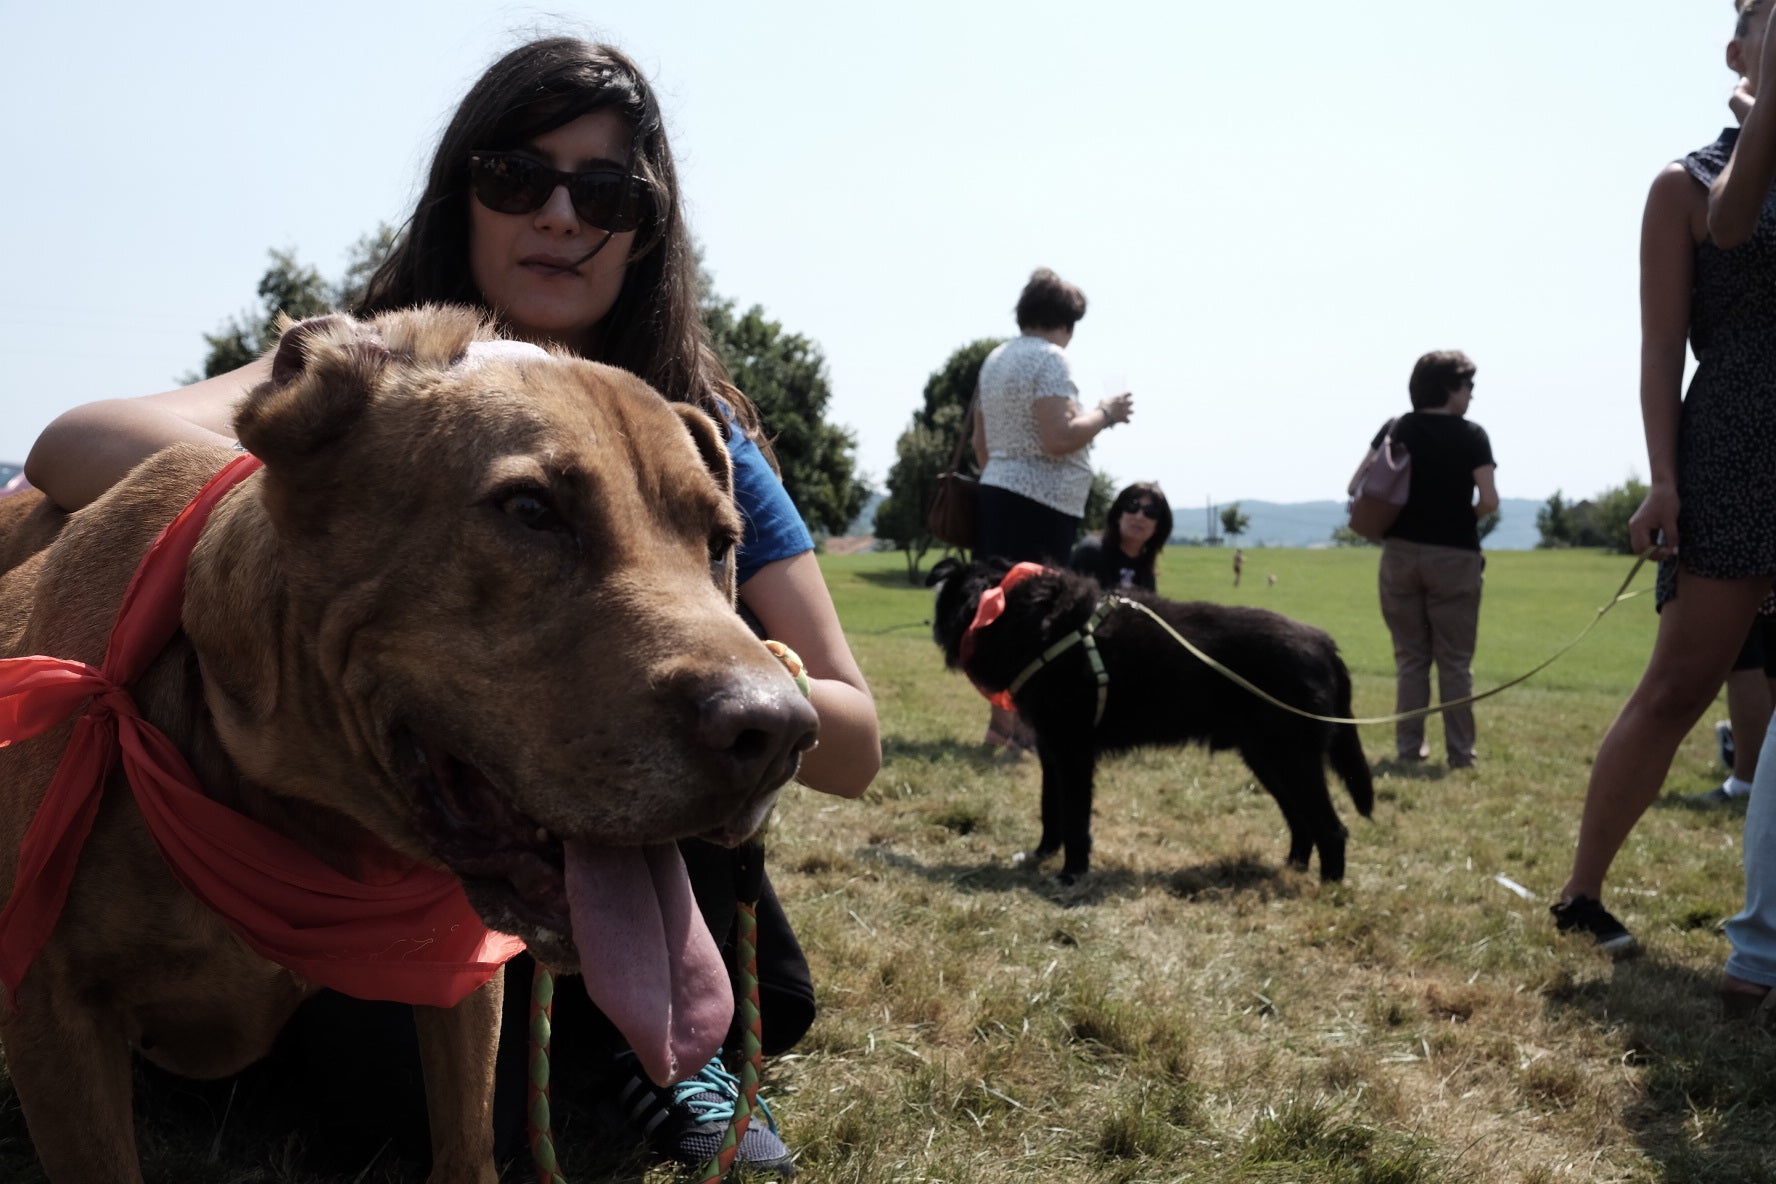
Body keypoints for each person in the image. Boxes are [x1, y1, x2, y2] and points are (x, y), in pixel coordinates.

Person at [25, 37, 882, 1174]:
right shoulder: (373, 369)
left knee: (704, 738)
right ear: (462, 193)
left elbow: (856, 740)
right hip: (406, 811)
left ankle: (654, 1047)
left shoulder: (697, 432)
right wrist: (330, 459)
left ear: (647, 229)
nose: (563, 216)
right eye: (520, 178)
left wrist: (740, 655)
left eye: (608, 191)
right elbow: (72, 442)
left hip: (617, 825)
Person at [1550, 0, 1776, 957]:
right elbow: (1659, 356)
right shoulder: (1685, 185)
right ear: (1740, 49)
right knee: (1681, 687)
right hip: (1733, 446)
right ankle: (1581, 893)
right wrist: (1662, 480)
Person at [971, 267, 1133, 750]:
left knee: (1002, 614)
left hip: (998, 493)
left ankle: (1001, 728)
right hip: (1041, 504)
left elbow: (982, 444)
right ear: (1065, 322)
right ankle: (1026, 732)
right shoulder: (1051, 361)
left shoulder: (995, 359)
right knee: (1038, 619)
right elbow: (1058, 437)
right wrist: (1107, 414)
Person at [1349, 350, 1498, 770]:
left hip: (1399, 554)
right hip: (1455, 556)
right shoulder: (1473, 435)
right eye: (1468, 386)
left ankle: (1409, 748)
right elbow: (1489, 500)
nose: (1471, 395)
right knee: (1454, 660)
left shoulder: (1397, 428)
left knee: (1411, 658)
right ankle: (1461, 753)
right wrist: (1462, 516)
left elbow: (1356, 483)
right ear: (1450, 388)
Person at [1067, 481, 1171, 593]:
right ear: (1118, 514)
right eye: (1132, 506)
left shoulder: (1146, 568)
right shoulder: (1090, 553)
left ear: (1158, 526)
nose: (1139, 516)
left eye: (1150, 512)